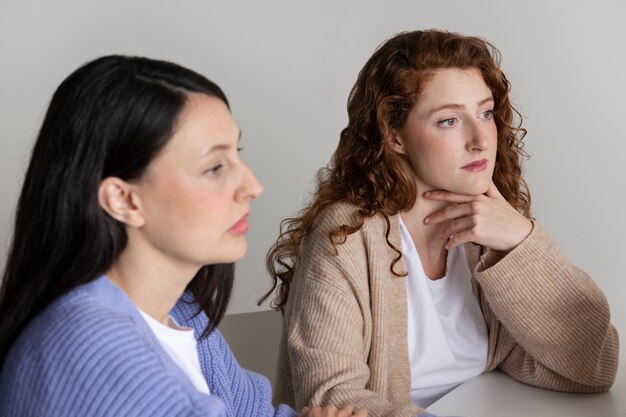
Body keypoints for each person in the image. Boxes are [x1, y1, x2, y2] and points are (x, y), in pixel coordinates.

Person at [262, 30, 620, 416]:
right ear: (395, 136)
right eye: (449, 121)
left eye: (485, 113)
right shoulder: (346, 236)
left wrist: (521, 240)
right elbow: (333, 400)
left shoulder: (488, 225)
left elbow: (592, 367)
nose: (481, 139)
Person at [0, 55, 372, 417]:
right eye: (214, 167)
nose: (252, 186)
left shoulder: (182, 316)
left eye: (236, 154)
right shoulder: (88, 346)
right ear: (124, 200)